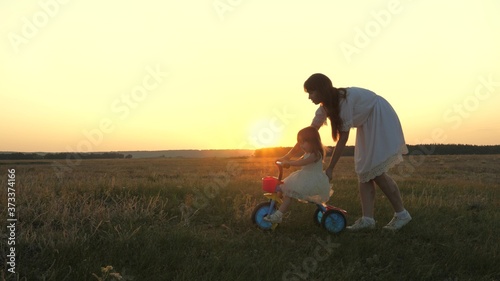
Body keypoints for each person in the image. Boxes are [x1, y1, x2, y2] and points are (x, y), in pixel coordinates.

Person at [279, 73, 411, 231]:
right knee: (364, 172)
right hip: (366, 123)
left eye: (311, 92)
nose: (309, 97)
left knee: (376, 171)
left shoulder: (344, 101)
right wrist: (287, 156)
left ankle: (402, 215)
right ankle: (368, 220)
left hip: (378, 117)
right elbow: (308, 135)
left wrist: (330, 168)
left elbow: (343, 139)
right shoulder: (324, 108)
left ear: (321, 90)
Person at [264, 126, 332, 224]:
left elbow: (302, 163)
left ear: (313, 141)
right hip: (305, 179)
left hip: (311, 182)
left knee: (289, 193)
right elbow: (298, 161)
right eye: (300, 142)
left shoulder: (315, 154)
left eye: (304, 142)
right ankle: (278, 210)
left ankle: (278, 215)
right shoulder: (307, 153)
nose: (301, 145)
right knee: (285, 189)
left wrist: (289, 163)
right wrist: (284, 161)